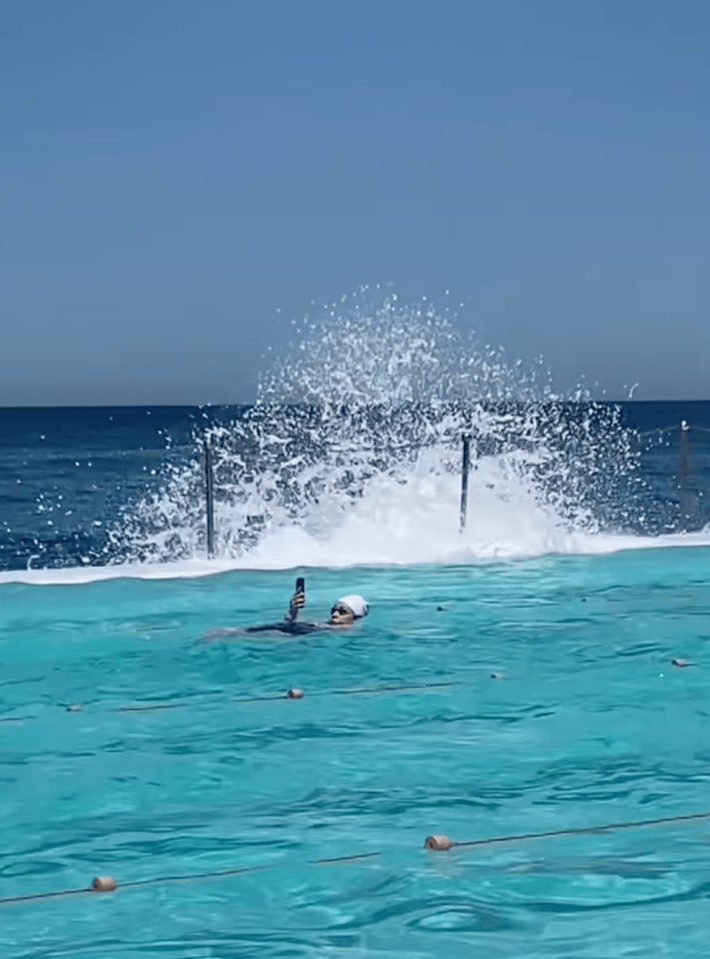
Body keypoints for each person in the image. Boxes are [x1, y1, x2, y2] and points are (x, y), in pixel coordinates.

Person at [202, 586, 369, 639]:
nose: (335, 615)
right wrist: (293, 610)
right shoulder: (327, 626)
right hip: (283, 630)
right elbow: (291, 623)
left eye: (342, 612)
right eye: (334, 610)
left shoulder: (345, 631)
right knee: (232, 632)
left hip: (283, 636)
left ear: (355, 617)